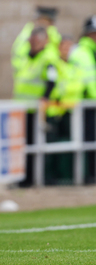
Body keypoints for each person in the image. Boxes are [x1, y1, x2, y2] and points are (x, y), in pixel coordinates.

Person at [13, 27, 58, 187]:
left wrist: (44, 99)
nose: (33, 44)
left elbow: (52, 81)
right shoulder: (26, 57)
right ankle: (23, 178)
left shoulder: (47, 57)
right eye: (32, 41)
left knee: (35, 145)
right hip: (22, 109)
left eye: (37, 41)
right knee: (22, 146)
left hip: (37, 110)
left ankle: (33, 179)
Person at [69, 15, 96, 183]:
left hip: (90, 103)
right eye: (95, 34)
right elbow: (89, 80)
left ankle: (93, 174)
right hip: (85, 103)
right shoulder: (84, 52)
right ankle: (87, 176)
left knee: (94, 141)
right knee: (87, 141)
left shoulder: (93, 51)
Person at [44, 36, 84, 185]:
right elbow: (53, 85)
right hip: (54, 111)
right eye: (64, 47)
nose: (66, 50)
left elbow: (78, 86)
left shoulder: (75, 65)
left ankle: (67, 176)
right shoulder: (53, 64)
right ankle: (50, 177)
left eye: (69, 47)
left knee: (69, 144)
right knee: (51, 145)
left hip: (70, 111)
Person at [12, 6, 61, 73]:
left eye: (47, 20)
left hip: (49, 72)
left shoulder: (53, 35)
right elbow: (19, 54)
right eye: (43, 20)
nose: (44, 23)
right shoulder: (27, 34)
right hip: (27, 72)